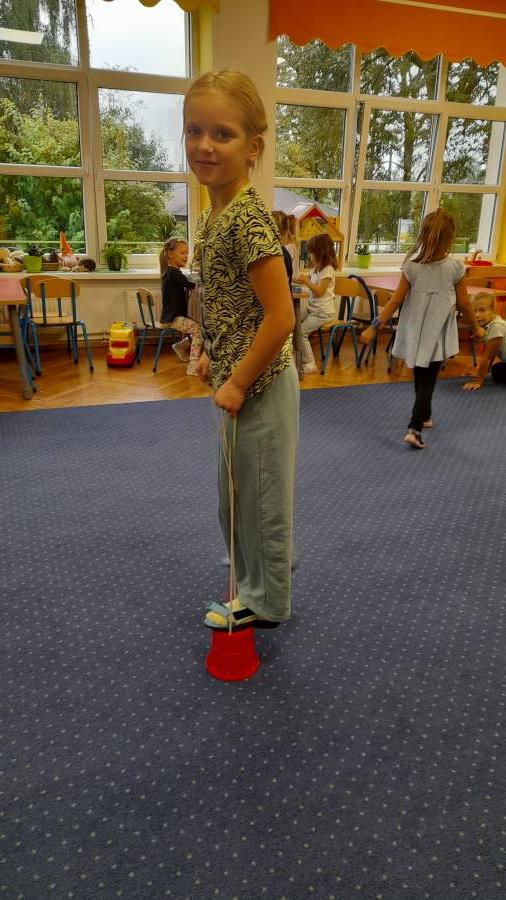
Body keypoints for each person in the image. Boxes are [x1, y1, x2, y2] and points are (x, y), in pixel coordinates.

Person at [184, 70, 299, 630]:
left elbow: (282, 318)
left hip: (262, 382)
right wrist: (211, 350)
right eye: (194, 130)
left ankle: (267, 600)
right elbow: (227, 300)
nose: (204, 145)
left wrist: (236, 381)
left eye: (222, 134)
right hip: (237, 377)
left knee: (260, 499)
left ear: (253, 147)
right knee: (236, 496)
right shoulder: (213, 216)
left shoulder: (249, 221)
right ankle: (257, 575)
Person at [360, 208, 484, 449]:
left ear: (423, 236)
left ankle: (424, 416)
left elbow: (394, 302)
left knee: (421, 375)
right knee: (428, 380)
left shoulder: (412, 267)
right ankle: (414, 428)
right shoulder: (454, 268)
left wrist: (374, 328)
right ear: (450, 238)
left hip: (415, 333)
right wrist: (477, 328)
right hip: (435, 335)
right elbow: (465, 304)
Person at [293, 232, 337, 374]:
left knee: (301, 332)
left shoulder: (328, 270)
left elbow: (319, 291)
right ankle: (297, 357)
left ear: (320, 253)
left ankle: (310, 363)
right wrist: (287, 277)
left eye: (311, 252)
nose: (309, 255)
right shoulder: (316, 269)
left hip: (323, 313)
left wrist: (306, 280)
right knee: (294, 324)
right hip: (313, 310)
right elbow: (300, 279)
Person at [159, 238, 203, 376]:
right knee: (198, 330)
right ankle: (193, 366)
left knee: (196, 327)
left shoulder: (169, 272)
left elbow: (185, 282)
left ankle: (179, 346)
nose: (186, 256)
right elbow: (191, 284)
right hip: (173, 318)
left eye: (187, 253)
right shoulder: (174, 273)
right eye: (182, 253)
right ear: (170, 254)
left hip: (171, 316)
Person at [462, 292, 506, 390]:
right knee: (497, 368)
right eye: (474, 311)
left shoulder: (497, 327)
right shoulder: (492, 324)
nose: (477, 315)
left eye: (482, 310)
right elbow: (493, 352)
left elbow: (488, 358)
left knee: (497, 371)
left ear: (492, 311)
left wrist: (478, 381)